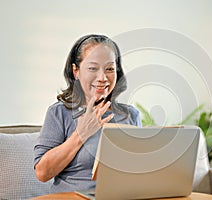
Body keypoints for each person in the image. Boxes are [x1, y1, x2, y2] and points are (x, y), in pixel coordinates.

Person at [34, 34, 142, 193]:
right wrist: (81, 133)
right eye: (92, 68)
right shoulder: (59, 113)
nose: (103, 78)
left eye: (110, 69)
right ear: (76, 71)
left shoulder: (130, 115)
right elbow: (42, 173)